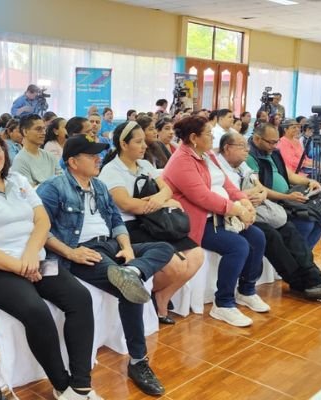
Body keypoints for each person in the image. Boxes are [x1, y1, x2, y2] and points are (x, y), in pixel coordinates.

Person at [0, 127, 101, 400]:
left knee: (79, 297)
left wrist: (31, 257)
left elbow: (42, 221)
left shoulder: (17, 180)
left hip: (32, 260)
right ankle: (62, 385)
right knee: (36, 310)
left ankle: (81, 383)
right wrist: (20, 267)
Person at [37, 135, 173, 396]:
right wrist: (71, 252)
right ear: (73, 162)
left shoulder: (99, 185)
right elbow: (41, 229)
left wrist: (127, 247)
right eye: (91, 156)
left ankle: (132, 270)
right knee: (128, 290)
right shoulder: (53, 188)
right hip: (82, 252)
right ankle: (138, 361)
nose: (98, 159)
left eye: (98, 155)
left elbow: (116, 221)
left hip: (110, 246)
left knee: (164, 248)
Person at [162, 116, 267, 328]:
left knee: (258, 237)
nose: (213, 138)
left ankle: (246, 290)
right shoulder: (181, 160)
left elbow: (226, 183)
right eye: (209, 134)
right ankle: (224, 303)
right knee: (237, 246)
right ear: (193, 138)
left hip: (220, 216)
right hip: (197, 222)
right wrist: (236, 209)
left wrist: (244, 201)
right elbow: (201, 196)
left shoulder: (207, 154)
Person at [218, 132, 321, 299]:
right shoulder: (219, 166)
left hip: (257, 207)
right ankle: (299, 283)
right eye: (242, 147)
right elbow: (224, 193)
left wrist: (261, 195)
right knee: (271, 235)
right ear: (227, 148)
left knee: (289, 229)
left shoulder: (244, 164)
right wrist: (249, 196)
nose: (247, 150)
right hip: (237, 213)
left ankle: (315, 277)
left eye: (247, 147)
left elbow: (260, 187)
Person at [99, 121, 204, 324]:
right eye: (138, 142)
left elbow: (166, 189)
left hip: (155, 222)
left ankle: (162, 297)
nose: (145, 146)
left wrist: (157, 199)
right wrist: (162, 203)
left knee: (197, 255)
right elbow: (129, 205)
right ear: (123, 144)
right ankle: (147, 300)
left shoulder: (145, 165)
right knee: (175, 264)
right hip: (130, 227)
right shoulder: (111, 171)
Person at [248, 123, 321, 250]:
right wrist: (287, 197)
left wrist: (308, 182)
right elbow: (259, 189)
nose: (274, 146)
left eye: (276, 142)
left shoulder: (273, 152)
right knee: (306, 223)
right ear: (257, 139)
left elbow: (290, 175)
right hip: (272, 201)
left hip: (288, 196)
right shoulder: (250, 157)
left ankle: (305, 255)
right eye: (271, 142)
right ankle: (299, 257)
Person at [12, 114, 62, 186]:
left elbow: (62, 181)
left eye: (44, 128)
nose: (44, 132)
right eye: (38, 129)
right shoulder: (20, 160)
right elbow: (29, 192)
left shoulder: (50, 156)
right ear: (25, 132)